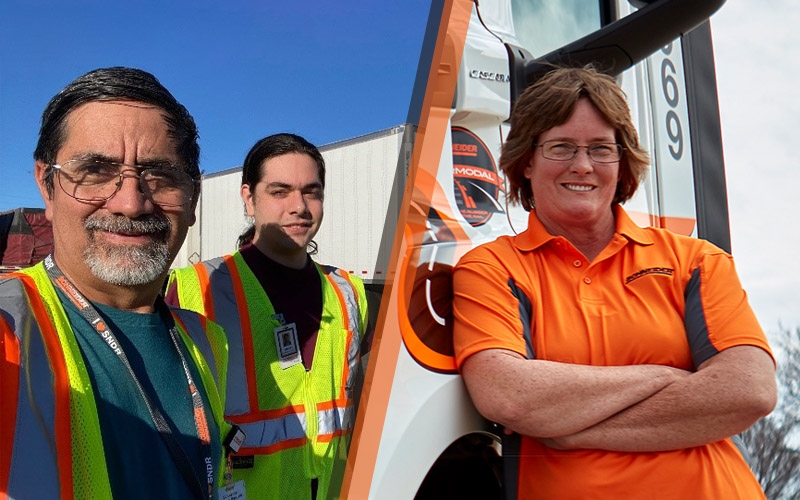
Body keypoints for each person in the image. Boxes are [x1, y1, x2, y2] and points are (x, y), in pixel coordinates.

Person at [451, 66, 777, 499]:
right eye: (562, 147)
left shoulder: (695, 260)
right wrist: (666, 376)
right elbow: (509, 396)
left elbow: (748, 391)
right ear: (527, 161)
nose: (582, 165)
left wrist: (571, 428)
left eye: (601, 149)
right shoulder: (492, 267)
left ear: (622, 162)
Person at [0, 67, 229, 499]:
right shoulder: (11, 330)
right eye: (96, 171)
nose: (130, 202)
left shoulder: (206, 342)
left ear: (193, 198)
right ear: (46, 187)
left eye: (159, 175)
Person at [166, 133, 370, 500]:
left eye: (312, 191)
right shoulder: (191, 291)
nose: (300, 206)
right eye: (280, 191)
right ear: (249, 197)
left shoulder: (350, 294)